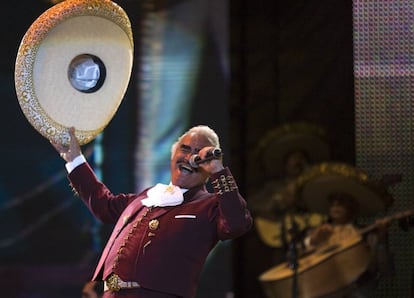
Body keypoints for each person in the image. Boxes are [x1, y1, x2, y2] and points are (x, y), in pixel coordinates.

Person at [52, 125, 252, 298]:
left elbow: (236, 223)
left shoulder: (209, 206)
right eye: (185, 149)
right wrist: (74, 159)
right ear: (173, 155)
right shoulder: (146, 197)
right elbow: (103, 205)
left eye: (199, 153)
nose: (191, 157)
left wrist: (218, 171)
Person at [303, 191, 394, 298]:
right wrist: (313, 240)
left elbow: (386, 270)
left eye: (342, 201)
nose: (336, 204)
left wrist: (382, 240)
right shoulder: (317, 233)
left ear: (353, 206)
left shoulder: (367, 234)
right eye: (332, 202)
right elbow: (301, 264)